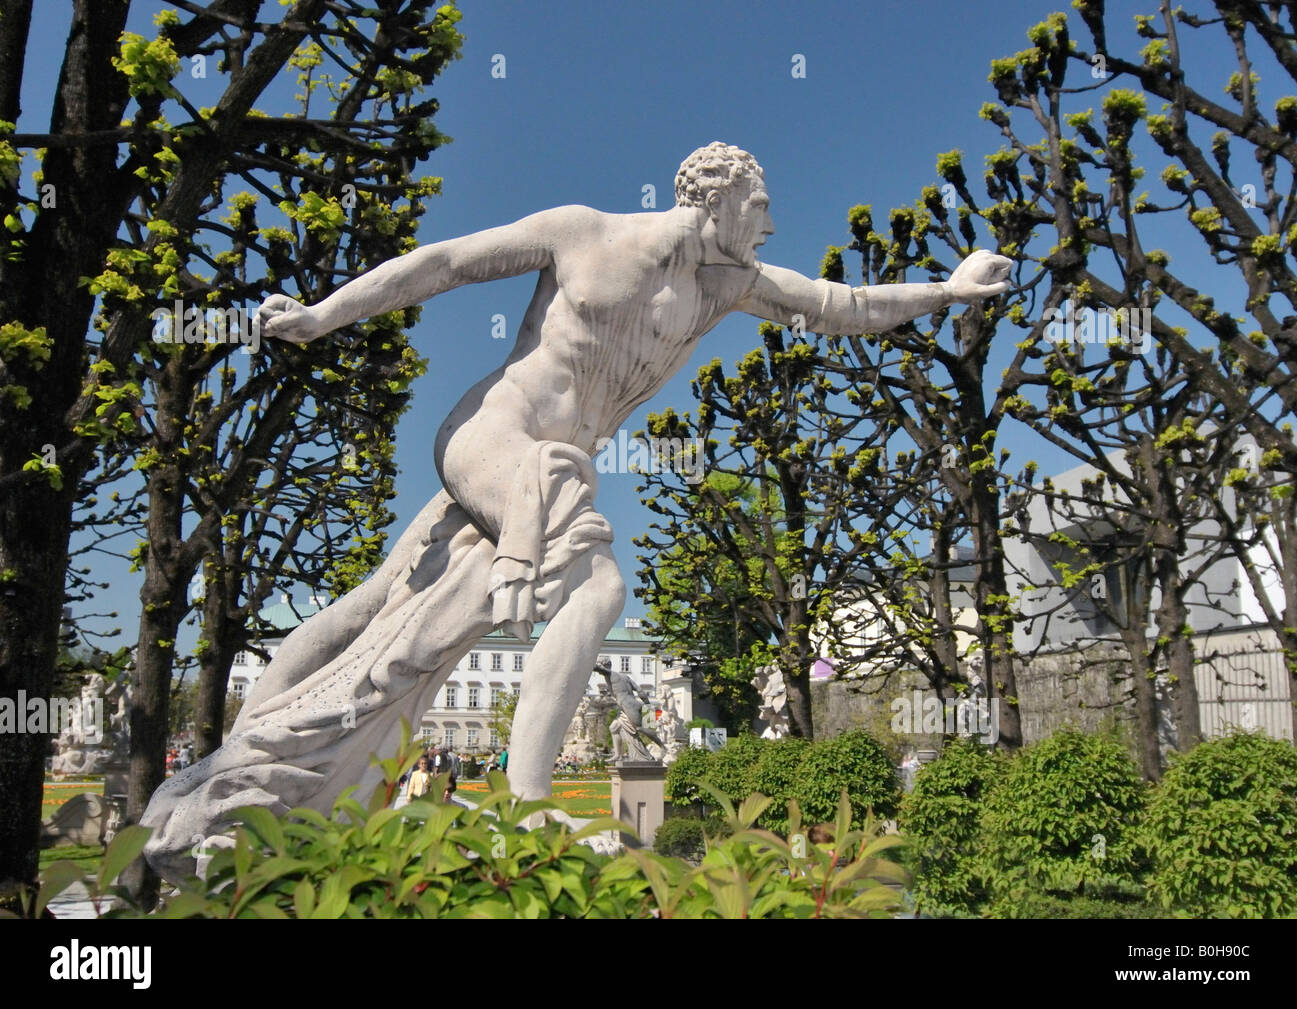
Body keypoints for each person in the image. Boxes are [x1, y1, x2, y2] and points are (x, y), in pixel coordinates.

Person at [255, 143, 1010, 804]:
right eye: (760, 208)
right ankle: (527, 799)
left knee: (378, 601)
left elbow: (842, 303)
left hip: (556, 475)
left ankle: (252, 727)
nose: (770, 227)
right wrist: (322, 316)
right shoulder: (582, 231)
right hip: (492, 438)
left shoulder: (729, 285)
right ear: (714, 202)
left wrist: (950, 289)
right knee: (598, 585)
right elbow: (444, 264)